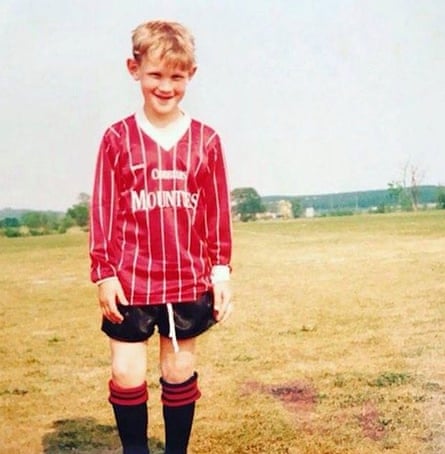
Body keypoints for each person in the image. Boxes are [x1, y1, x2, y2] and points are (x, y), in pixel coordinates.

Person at [89, 20, 233, 454]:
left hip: (186, 278)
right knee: (126, 372)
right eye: (155, 75)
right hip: (131, 278)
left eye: (176, 77)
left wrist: (220, 273)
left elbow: (216, 213)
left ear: (191, 75)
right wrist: (104, 273)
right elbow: (103, 209)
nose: (165, 86)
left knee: (178, 370)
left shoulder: (205, 141)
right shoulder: (117, 139)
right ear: (134, 69)